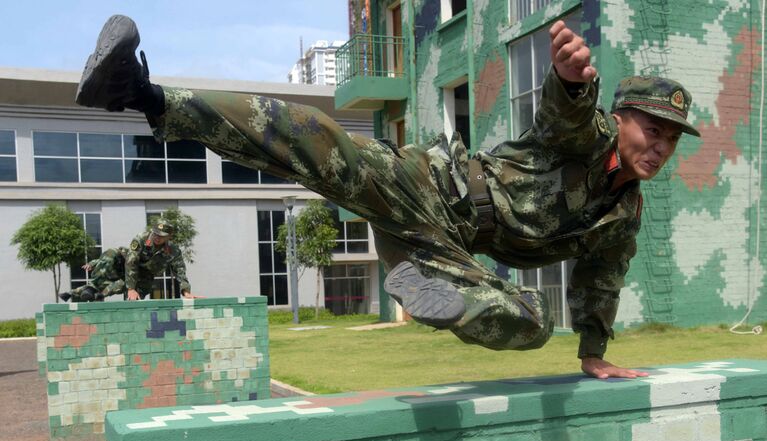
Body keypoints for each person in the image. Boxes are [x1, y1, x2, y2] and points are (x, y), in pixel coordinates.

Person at [75, 15, 700, 378]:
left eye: (671, 140)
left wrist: (594, 355)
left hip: (446, 248)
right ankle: (140, 92)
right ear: (621, 119)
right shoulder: (589, 136)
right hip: (432, 185)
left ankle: (418, 278)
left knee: (536, 323)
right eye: (652, 130)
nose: (660, 148)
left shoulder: (623, 215)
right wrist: (567, 79)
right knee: (316, 143)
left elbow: (600, 284)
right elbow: (566, 116)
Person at [60, 219, 196, 302]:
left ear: (169, 237)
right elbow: (131, 262)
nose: (157, 237)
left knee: (127, 293)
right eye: (155, 233)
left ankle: (89, 294)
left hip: (145, 277)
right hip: (126, 264)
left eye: (161, 236)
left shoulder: (173, 250)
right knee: (111, 253)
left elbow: (180, 271)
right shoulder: (141, 239)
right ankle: (92, 287)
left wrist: (186, 291)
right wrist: (131, 288)